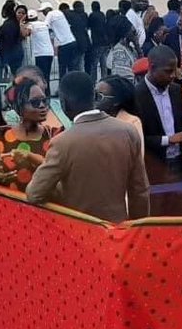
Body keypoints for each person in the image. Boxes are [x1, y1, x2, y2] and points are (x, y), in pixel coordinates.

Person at [25, 72, 150, 222]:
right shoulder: (128, 131)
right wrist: (136, 229)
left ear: (63, 103)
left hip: (80, 232)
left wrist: (63, 186)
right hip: (119, 230)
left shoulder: (62, 142)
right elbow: (140, 191)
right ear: (94, 97)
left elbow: (34, 193)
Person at [133, 45, 182, 217]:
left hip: (178, 163)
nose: (173, 76)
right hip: (153, 166)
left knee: (177, 211)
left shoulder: (176, 90)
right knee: (156, 213)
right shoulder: (136, 96)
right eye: (168, 71)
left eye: (175, 71)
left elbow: (179, 126)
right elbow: (137, 139)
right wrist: (169, 140)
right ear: (152, 68)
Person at [0, 75, 63, 192]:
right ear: (19, 106)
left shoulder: (54, 135)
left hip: (44, 206)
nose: (42, 106)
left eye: (44, 101)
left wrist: (30, 157)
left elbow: (60, 171)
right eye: (35, 102)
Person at [94, 75, 144, 140]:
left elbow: (137, 149)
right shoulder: (90, 118)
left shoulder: (131, 123)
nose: (94, 99)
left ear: (116, 102)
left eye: (99, 96)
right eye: (94, 94)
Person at [44, 2, 79, 76]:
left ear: (46, 10)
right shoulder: (59, 13)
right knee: (71, 67)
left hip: (64, 45)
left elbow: (45, 26)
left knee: (62, 67)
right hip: (72, 41)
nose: (43, 14)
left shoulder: (50, 14)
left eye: (43, 11)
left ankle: (63, 85)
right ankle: (72, 84)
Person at [105, 15, 139, 82]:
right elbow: (126, 80)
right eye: (133, 32)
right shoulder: (119, 53)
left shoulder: (130, 49)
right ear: (124, 33)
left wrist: (138, 47)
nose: (136, 33)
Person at [27, 10, 55, 84]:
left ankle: (43, 93)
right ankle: (47, 92)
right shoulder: (44, 24)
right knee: (47, 76)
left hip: (40, 54)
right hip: (50, 52)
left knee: (40, 76)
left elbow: (26, 33)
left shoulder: (30, 25)